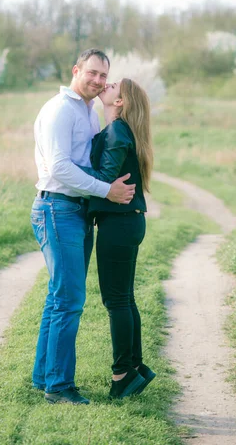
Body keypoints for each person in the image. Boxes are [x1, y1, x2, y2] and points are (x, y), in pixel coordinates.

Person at [30, 49, 136, 405]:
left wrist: (109, 112)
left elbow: (93, 158)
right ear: (76, 70)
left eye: (104, 76)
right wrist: (107, 190)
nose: (98, 81)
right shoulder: (61, 110)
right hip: (57, 208)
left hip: (75, 212)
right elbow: (60, 168)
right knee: (70, 299)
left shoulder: (87, 112)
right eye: (92, 73)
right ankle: (59, 387)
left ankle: (44, 376)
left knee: (59, 296)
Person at [78, 78, 156, 399]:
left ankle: (122, 374)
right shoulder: (124, 132)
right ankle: (135, 368)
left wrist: (69, 175)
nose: (105, 85)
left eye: (112, 86)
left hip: (119, 224)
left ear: (120, 102)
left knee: (117, 300)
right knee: (125, 297)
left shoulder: (116, 132)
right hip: (128, 223)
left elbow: (105, 180)